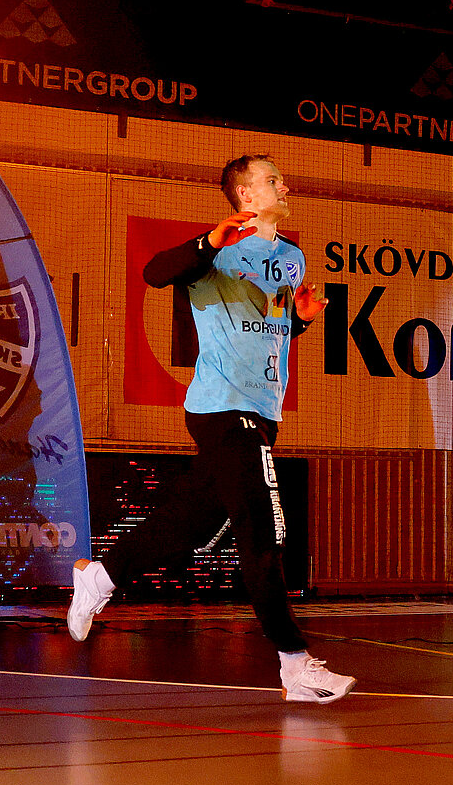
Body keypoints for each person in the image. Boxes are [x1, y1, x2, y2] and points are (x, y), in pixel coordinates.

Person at [66, 155, 355, 703]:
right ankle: (296, 666)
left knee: (188, 525)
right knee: (264, 533)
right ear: (245, 194)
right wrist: (207, 243)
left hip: (262, 412)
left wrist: (302, 320)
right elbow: (153, 273)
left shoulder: (290, 257)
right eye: (273, 180)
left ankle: (99, 577)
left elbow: (271, 323)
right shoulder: (215, 252)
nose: (284, 183)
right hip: (224, 408)